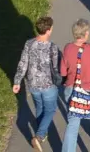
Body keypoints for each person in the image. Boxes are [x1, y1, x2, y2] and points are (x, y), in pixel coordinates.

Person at [12, 16, 61, 152]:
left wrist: (17, 81)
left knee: (39, 107)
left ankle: (42, 133)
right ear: (49, 30)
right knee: (50, 109)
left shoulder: (29, 44)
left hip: (33, 84)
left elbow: (23, 63)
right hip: (48, 85)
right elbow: (55, 68)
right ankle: (39, 136)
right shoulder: (52, 47)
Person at [59, 20, 90, 152]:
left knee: (73, 123)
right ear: (86, 33)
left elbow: (63, 72)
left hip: (72, 88)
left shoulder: (68, 48)